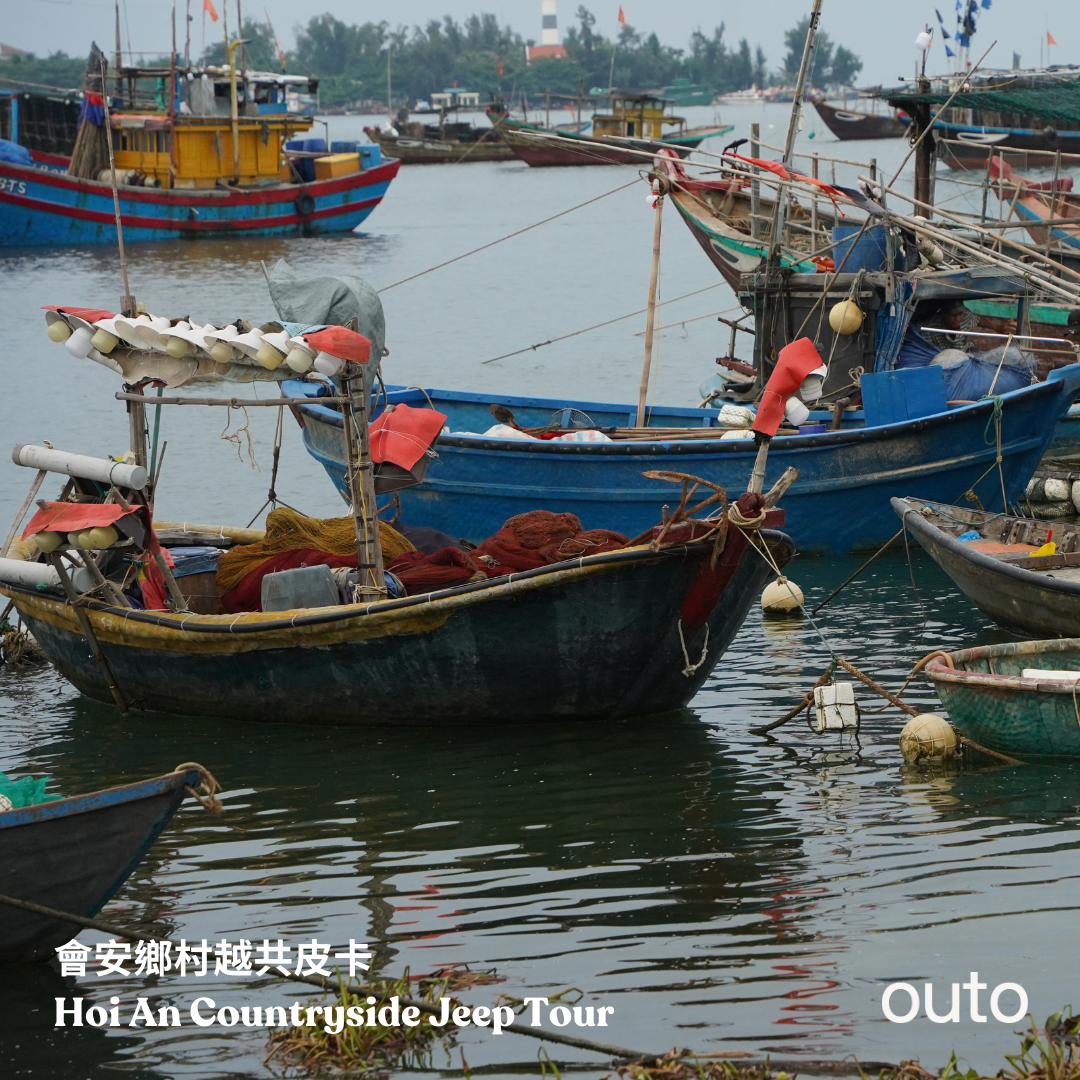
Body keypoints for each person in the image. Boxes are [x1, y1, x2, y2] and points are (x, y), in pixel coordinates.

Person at [917, 300, 982, 351]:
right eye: (952, 315)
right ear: (943, 313)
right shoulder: (930, 327)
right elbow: (927, 350)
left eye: (960, 314)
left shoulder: (966, 316)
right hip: (942, 355)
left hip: (965, 351)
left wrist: (992, 326)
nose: (957, 319)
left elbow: (979, 320)